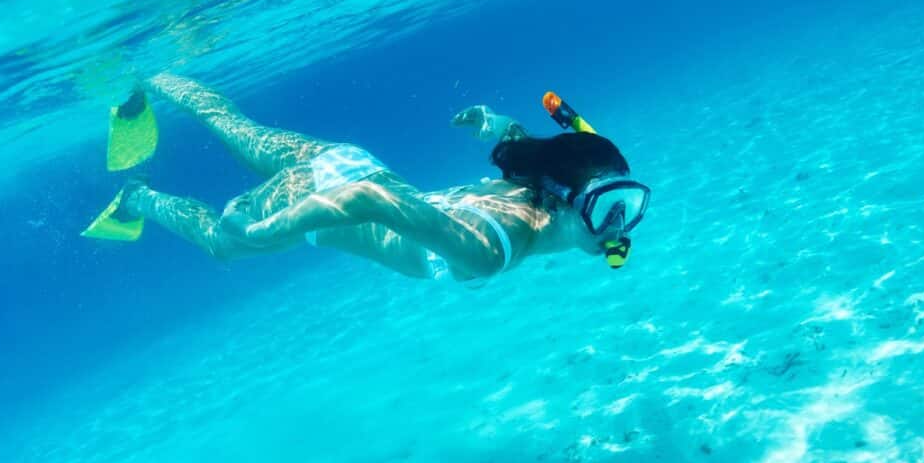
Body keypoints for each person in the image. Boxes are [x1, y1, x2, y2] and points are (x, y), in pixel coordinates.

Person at [83, 74, 650, 282]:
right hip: (326, 195)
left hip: (348, 161)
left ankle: (149, 76)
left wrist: (491, 124)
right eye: (607, 206)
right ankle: (138, 196)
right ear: (560, 199)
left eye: (627, 205)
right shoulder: (492, 250)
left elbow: (526, 145)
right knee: (223, 246)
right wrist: (267, 232)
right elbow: (367, 201)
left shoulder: (536, 182)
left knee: (237, 127)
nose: (618, 225)